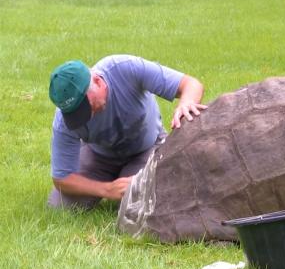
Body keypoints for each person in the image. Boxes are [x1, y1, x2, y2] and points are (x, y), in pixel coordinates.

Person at [47, 54, 207, 209]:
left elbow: (191, 84)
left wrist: (186, 104)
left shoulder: (125, 68)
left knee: (137, 201)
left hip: (147, 148)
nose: (85, 116)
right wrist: (107, 189)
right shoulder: (65, 120)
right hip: (99, 157)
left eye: (85, 107)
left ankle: (131, 179)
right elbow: (62, 178)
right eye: (76, 113)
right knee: (60, 204)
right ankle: (114, 180)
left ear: (97, 81)